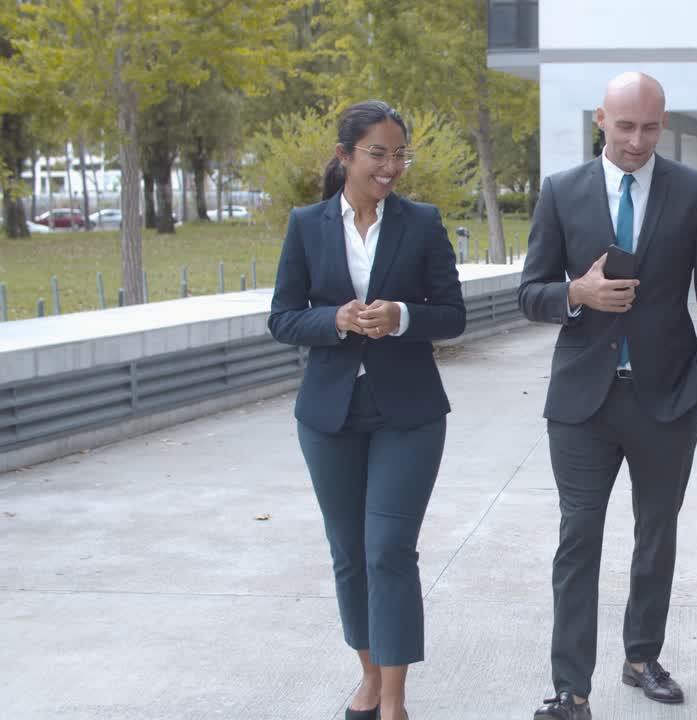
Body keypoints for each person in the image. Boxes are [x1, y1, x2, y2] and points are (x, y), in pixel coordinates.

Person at [519, 72, 697, 720]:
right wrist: (576, 293)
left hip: (667, 398)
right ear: (600, 120)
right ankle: (571, 689)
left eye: (648, 127)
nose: (637, 140)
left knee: (656, 533)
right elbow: (529, 293)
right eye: (624, 126)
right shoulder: (561, 191)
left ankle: (642, 657)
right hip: (581, 401)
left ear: (663, 123)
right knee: (578, 538)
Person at [268, 100, 465, 720]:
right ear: (344, 155)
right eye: (377, 153)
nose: (390, 166)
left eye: (399, 154)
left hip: (409, 413)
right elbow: (282, 318)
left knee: (388, 550)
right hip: (329, 414)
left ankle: (394, 703)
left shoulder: (422, 222)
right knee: (349, 553)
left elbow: (452, 314)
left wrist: (401, 316)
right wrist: (336, 319)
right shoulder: (307, 225)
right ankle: (371, 676)